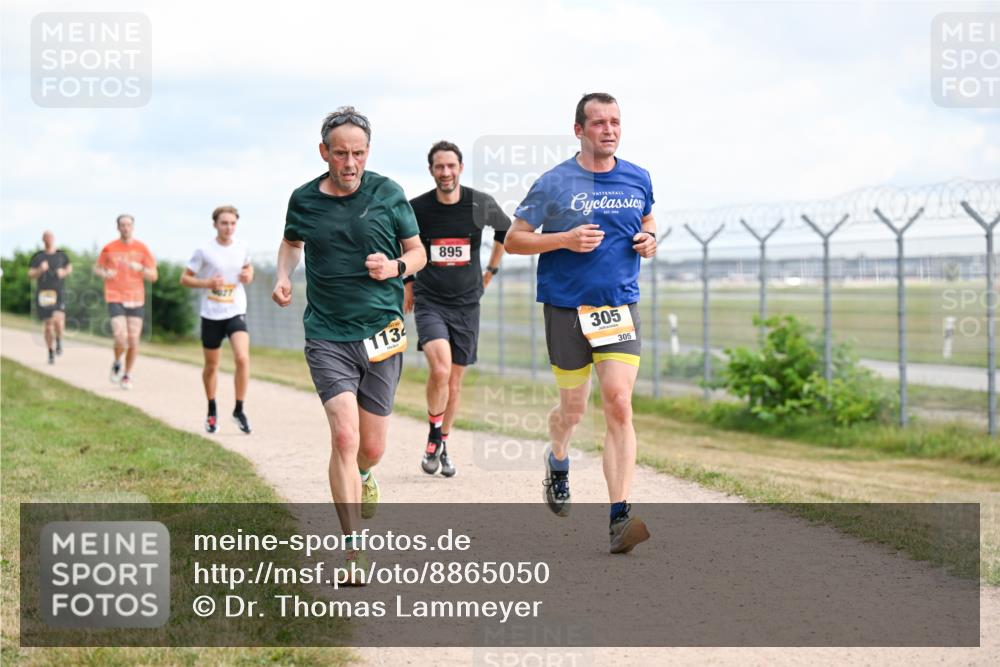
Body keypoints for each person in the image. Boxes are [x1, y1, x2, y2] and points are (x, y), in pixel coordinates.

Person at [272, 107, 425, 581]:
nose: (350, 163)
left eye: (358, 153)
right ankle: (354, 551)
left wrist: (395, 268)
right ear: (324, 152)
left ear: (368, 152)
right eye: (341, 154)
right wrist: (283, 276)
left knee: (371, 447)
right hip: (327, 333)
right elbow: (291, 243)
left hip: (382, 332)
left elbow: (418, 253)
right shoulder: (303, 199)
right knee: (344, 435)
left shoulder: (389, 193)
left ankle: (364, 474)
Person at [504, 93, 658, 554]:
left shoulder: (638, 177)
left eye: (615, 122)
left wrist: (650, 239)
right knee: (573, 411)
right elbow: (514, 240)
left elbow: (648, 219)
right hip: (566, 309)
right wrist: (565, 240)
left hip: (618, 307)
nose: (609, 130)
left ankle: (619, 516)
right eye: (598, 123)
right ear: (578, 130)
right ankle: (558, 458)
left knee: (619, 404)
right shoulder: (554, 182)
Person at [405, 140, 511, 478]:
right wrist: (408, 282)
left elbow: (505, 229)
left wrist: (490, 271)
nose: (446, 172)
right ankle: (434, 435)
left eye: (451, 166)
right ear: (431, 170)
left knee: (454, 382)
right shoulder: (417, 208)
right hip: (430, 301)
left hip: (467, 303)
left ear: (461, 168)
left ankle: (443, 442)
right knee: (440, 370)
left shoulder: (479, 203)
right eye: (439, 166)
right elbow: (399, 240)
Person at [181, 205, 254, 434]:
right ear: (215, 224)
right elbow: (185, 278)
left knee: (242, 358)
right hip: (211, 313)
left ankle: (239, 409)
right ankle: (212, 409)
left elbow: (248, 269)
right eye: (224, 223)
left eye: (232, 223)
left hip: (235, 309)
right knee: (212, 366)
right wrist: (207, 283)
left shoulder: (242, 247)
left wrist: (248, 275)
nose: (228, 227)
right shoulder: (204, 250)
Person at [94, 215, 158, 389]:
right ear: (118, 227)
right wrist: (105, 273)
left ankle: (127, 375)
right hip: (115, 296)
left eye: (128, 225)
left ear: (133, 227)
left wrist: (141, 268)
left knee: (134, 340)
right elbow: (97, 268)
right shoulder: (109, 248)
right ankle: (117, 361)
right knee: (120, 337)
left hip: (136, 298)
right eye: (122, 225)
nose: (125, 228)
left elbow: (154, 276)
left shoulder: (142, 248)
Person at [28, 231, 72, 364]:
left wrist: (63, 272)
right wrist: (40, 269)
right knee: (48, 325)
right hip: (44, 293)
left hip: (58, 292)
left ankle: (59, 340)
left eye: (51, 237)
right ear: (43, 240)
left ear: (54, 239)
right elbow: (30, 274)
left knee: (59, 321)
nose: (49, 239)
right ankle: (50, 351)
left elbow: (69, 267)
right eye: (46, 237)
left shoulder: (61, 255)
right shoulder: (38, 256)